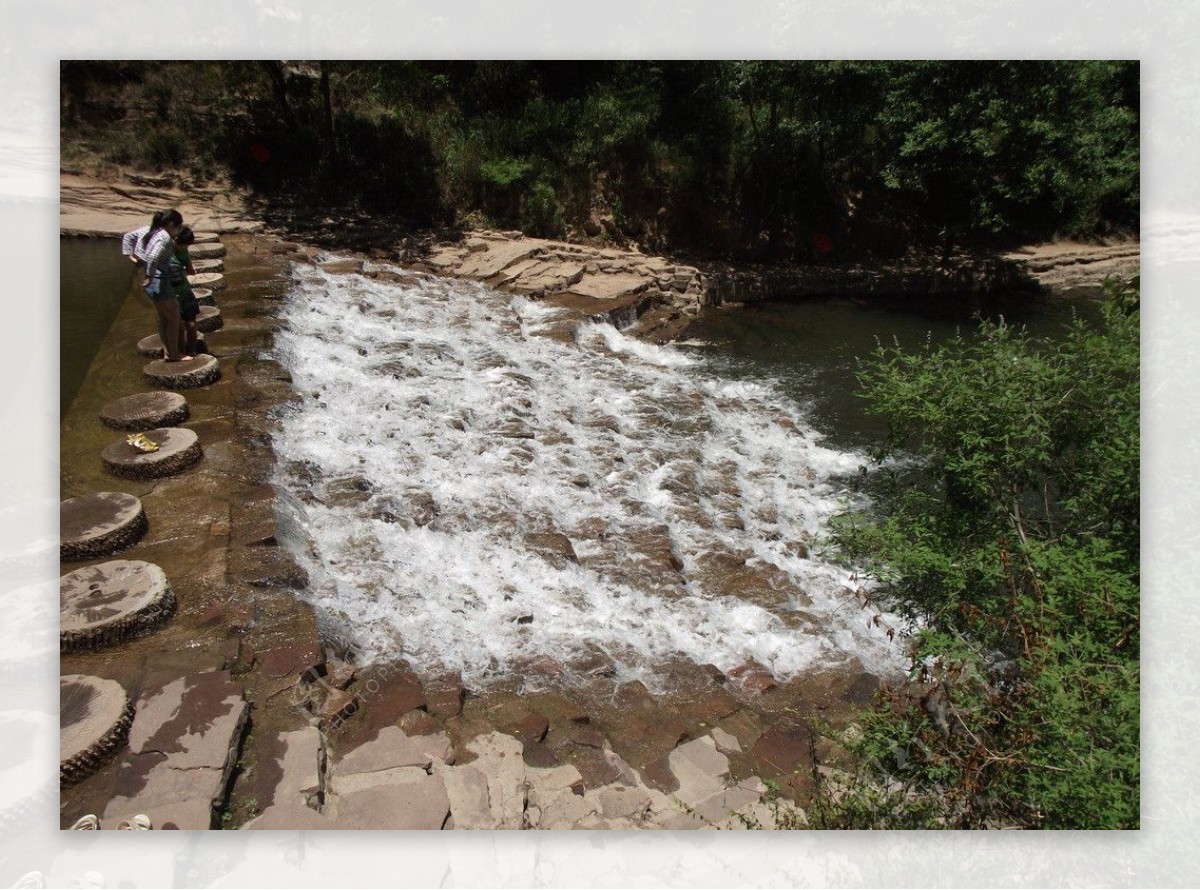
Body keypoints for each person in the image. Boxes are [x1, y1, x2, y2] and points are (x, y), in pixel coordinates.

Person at [139, 209, 191, 362]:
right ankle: (175, 354)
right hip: (160, 282)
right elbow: (153, 257)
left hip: (154, 283)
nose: (177, 230)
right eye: (177, 226)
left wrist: (148, 276)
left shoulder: (154, 233)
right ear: (170, 224)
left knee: (164, 319)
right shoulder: (164, 238)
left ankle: (168, 352)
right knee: (174, 319)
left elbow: (146, 255)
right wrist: (149, 276)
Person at [169, 226, 201, 357]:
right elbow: (190, 270)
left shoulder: (174, 252)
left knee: (187, 324)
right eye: (186, 245)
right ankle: (185, 351)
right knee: (183, 325)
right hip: (176, 293)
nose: (186, 248)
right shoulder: (166, 253)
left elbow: (189, 269)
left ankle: (187, 351)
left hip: (180, 292)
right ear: (177, 241)